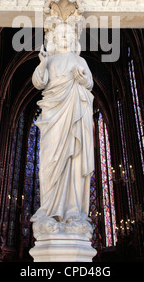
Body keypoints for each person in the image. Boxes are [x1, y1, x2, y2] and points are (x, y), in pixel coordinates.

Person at [31, 22, 94, 231]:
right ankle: (48, 210)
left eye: (68, 34)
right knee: (50, 158)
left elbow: (90, 83)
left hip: (75, 113)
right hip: (53, 116)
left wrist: (82, 79)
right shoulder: (49, 60)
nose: (65, 36)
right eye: (61, 34)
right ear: (54, 39)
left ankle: (73, 210)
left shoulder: (80, 60)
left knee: (74, 159)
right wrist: (42, 64)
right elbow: (39, 82)